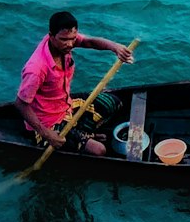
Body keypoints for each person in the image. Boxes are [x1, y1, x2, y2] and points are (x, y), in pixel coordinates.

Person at [15, 11, 135, 156]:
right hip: (48, 123)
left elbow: (88, 42)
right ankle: (81, 136)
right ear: (51, 36)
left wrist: (115, 47)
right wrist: (47, 134)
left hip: (65, 106)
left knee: (113, 103)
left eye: (73, 39)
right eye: (64, 40)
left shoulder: (64, 43)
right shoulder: (36, 68)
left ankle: (82, 133)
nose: (70, 44)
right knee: (99, 150)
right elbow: (21, 104)